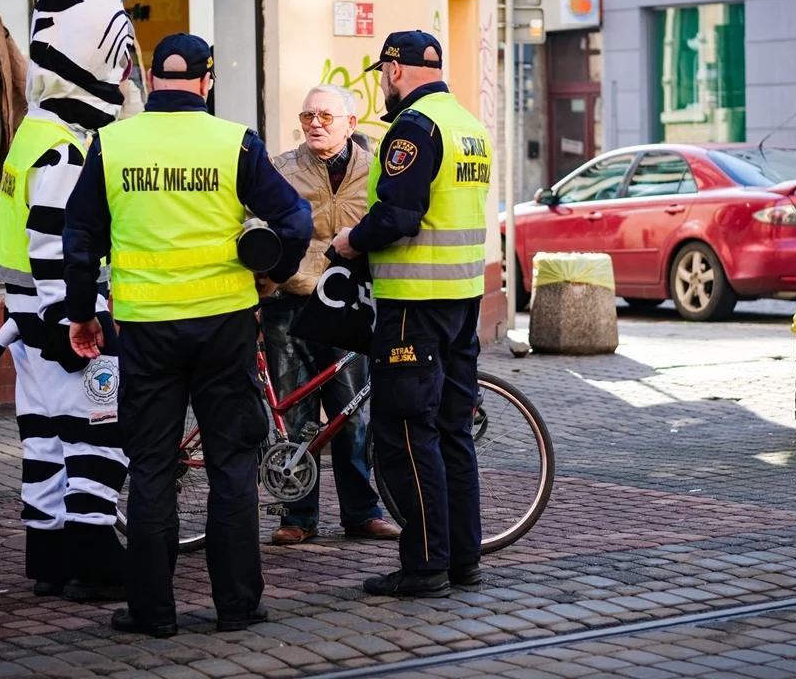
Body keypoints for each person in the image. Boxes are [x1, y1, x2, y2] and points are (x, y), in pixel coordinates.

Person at [63, 33, 311, 637]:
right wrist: (272, 276)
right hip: (225, 329)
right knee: (229, 467)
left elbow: (79, 238)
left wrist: (82, 314)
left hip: (146, 333)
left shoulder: (113, 145)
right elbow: (295, 220)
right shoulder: (234, 144)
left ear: (149, 77)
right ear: (206, 82)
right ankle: (237, 606)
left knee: (151, 468)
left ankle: (151, 612)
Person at [0, 0, 137, 602]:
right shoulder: (68, 144)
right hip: (68, 320)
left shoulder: (30, 133)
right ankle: (95, 556)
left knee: (42, 433)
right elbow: (57, 241)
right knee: (100, 427)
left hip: (25, 319)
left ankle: (48, 555)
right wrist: (83, 317)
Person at [332, 31, 493, 598]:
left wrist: (352, 239)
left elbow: (400, 214)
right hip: (462, 302)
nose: (381, 83)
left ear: (396, 70)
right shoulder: (469, 126)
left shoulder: (415, 127)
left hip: (413, 307)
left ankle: (425, 564)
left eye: (382, 73)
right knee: (453, 431)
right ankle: (462, 560)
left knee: (405, 432)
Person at [263, 84, 400, 546]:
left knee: (352, 412)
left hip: (350, 302)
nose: (314, 124)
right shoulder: (280, 168)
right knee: (294, 411)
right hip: (292, 302)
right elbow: (254, 224)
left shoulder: (378, 168)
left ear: (351, 123)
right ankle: (297, 515)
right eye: (307, 116)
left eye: (324, 115)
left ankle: (362, 512)